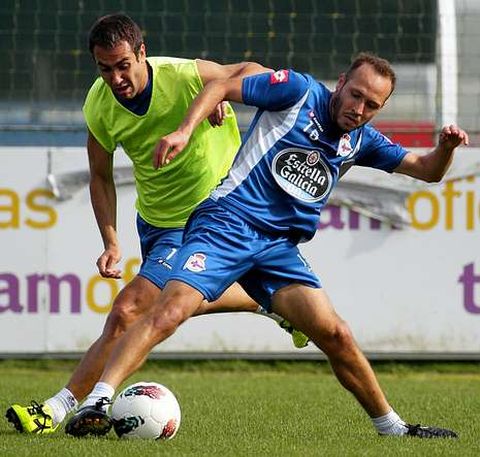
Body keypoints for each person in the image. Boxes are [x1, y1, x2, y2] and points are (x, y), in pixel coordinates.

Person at [62, 52, 468, 439]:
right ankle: (97, 402)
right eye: (355, 95)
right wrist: (185, 130)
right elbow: (220, 85)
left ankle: (392, 427)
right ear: (340, 83)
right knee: (169, 310)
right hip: (227, 223)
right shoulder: (297, 91)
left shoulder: (360, 140)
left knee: (337, 334)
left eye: (372, 105)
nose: (359, 109)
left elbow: (427, 171)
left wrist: (445, 149)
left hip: (277, 249)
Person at [5, 13, 309, 435]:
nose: (116, 77)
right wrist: (111, 241)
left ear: (142, 53)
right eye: (105, 68)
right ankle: (268, 301)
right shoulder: (99, 103)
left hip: (214, 215)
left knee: (128, 310)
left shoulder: (183, 76)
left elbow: (255, 72)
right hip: (156, 223)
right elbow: (100, 176)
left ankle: (58, 410)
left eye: (123, 64)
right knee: (171, 303)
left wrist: (223, 92)